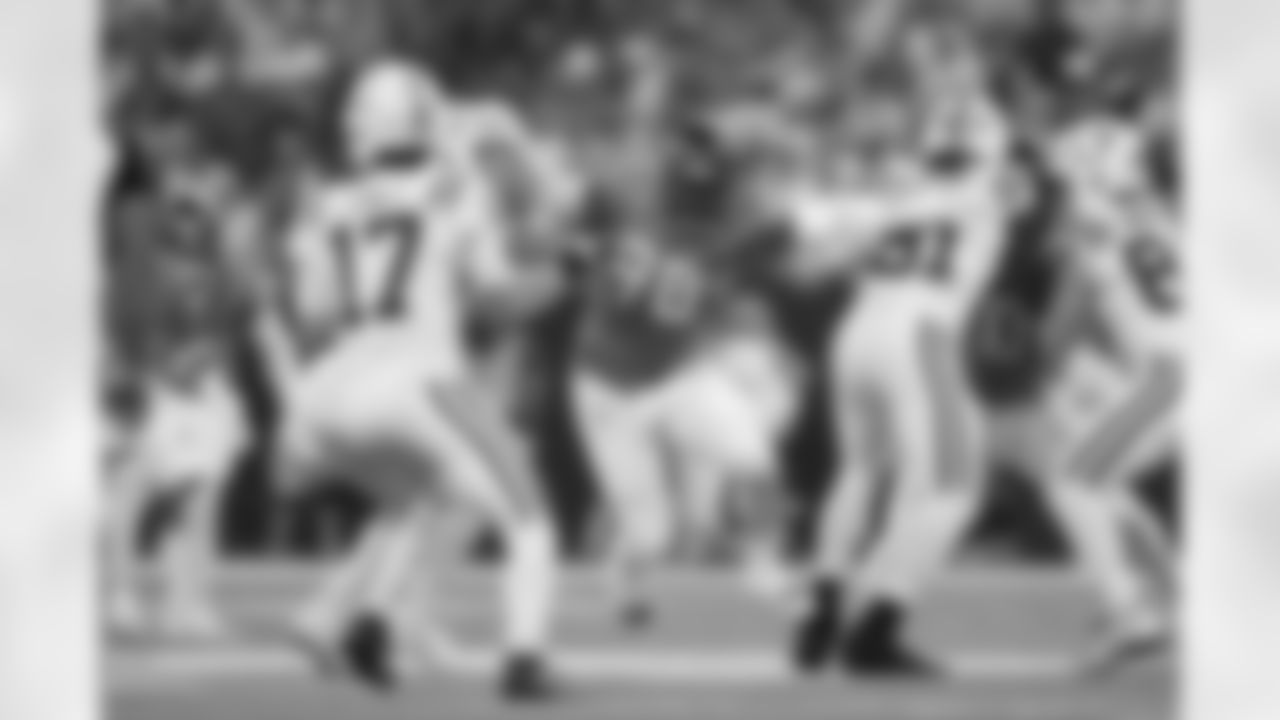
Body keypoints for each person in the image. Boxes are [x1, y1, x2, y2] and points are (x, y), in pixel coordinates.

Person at [267, 58, 565, 700]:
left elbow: (314, 313)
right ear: (421, 120)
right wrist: (565, 274)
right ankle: (524, 659)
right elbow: (496, 300)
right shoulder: (456, 190)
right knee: (528, 519)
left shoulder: (328, 201)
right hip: (414, 380)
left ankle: (363, 623)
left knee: (422, 497)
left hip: (323, 398)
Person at [780, 69, 1013, 675]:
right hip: (922, 333)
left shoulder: (898, 190)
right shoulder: (990, 185)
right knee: (953, 487)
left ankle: (824, 599)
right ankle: (876, 629)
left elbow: (809, 264)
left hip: (858, 329)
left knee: (860, 469)